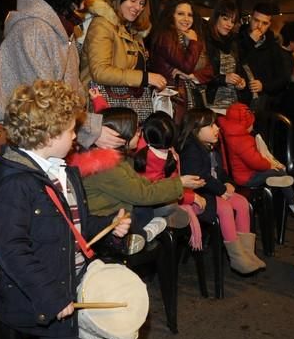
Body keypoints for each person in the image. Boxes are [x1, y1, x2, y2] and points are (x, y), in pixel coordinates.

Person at [0, 80, 132, 339]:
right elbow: (11, 251)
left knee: (121, 334)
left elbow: (73, 227)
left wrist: (110, 226)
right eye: (70, 131)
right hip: (36, 293)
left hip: (69, 277)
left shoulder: (62, 171)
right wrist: (51, 296)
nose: (76, 137)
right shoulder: (15, 184)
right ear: (49, 136)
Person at [0, 0, 122, 151]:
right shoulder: (33, 31)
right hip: (19, 148)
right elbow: (44, 103)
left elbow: (70, 95)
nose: (84, 2)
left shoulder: (60, 32)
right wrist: (91, 130)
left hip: (42, 145)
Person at [67, 108, 201, 253]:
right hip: (108, 221)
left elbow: (141, 184)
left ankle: (161, 217)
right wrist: (179, 184)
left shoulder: (116, 159)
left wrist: (177, 185)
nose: (140, 133)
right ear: (119, 136)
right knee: (142, 212)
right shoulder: (103, 165)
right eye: (136, 130)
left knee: (152, 207)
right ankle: (146, 233)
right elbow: (142, 194)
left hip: (120, 209)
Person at [178, 108, 265, 274]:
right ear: (195, 129)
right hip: (198, 195)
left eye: (216, 125)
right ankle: (237, 258)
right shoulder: (191, 150)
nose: (217, 129)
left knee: (241, 203)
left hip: (213, 191)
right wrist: (221, 188)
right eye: (211, 126)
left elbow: (220, 171)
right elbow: (200, 177)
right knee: (225, 209)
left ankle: (247, 253)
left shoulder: (211, 146)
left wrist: (227, 182)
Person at [81, 0, 167, 120]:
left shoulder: (132, 31)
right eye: (133, 0)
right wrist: (145, 78)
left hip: (124, 108)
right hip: (101, 107)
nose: (137, 7)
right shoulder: (102, 24)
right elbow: (100, 72)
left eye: (141, 3)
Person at [217, 102, 294, 214]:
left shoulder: (230, 135)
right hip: (247, 178)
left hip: (242, 174)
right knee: (279, 170)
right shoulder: (242, 140)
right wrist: (270, 165)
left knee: (276, 172)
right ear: (245, 124)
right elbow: (255, 162)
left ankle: (273, 179)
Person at [135, 112, 206, 250]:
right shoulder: (168, 157)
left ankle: (160, 221)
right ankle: (160, 222)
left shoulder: (142, 147)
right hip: (153, 202)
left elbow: (170, 186)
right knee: (173, 207)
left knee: (173, 207)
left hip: (149, 202)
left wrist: (98, 100)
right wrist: (191, 196)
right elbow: (172, 186)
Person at [149, 0, 207, 121]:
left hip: (187, 96)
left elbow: (210, 68)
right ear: (171, 15)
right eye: (180, 14)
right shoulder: (166, 36)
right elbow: (186, 67)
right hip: (171, 98)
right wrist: (194, 42)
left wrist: (193, 76)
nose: (186, 19)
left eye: (190, 15)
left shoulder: (191, 37)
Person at [238, 3, 289, 111]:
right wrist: (250, 42)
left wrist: (264, 86)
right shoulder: (237, 39)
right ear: (250, 19)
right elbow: (237, 62)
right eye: (256, 21)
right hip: (238, 99)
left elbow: (283, 78)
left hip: (262, 103)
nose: (259, 26)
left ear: (269, 24)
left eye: (264, 23)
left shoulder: (273, 47)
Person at [203, 0, 250, 109]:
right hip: (212, 103)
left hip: (233, 102)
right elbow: (200, 75)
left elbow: (237, 70)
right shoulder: (205, 40)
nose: (229, 24)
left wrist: (241, 81)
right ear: (216, 18)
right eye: (225, 19)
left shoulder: (233, 42)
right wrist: (223, 78)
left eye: (232, 21)